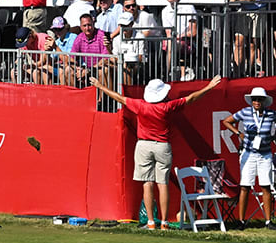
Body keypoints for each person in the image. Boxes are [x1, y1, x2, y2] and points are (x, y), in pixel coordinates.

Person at [95, 76, 223, 230]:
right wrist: (209, 87)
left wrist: (100, 86)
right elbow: (191, 98)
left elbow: (119, 98)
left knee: (147, 183)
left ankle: (150, 222)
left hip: (143, 145)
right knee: (163, 184)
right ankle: (164, 222)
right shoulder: (167, 107)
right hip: (162, 146)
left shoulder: (140, 105)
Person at [222, 86, 276, 227]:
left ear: (264, 101)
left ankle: (268, 221)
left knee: (266, 186)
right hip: (248, 153)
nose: (257, 102)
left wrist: (275, 136)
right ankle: (241, 221)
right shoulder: (245, 112)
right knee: (245, 186)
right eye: (254, 99)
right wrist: (238, 133)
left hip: (265, 154)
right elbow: (226, 121)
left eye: (259, 99)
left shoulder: (270, 114)